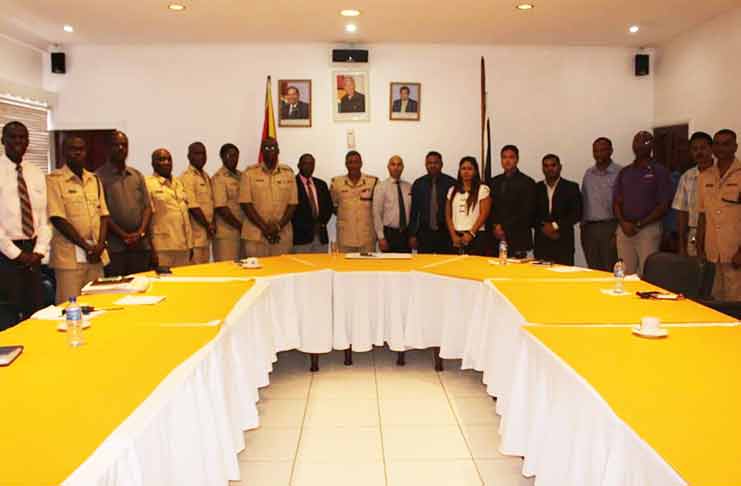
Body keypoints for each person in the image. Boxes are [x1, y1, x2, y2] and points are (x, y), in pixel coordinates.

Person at [0, 121, 51, 323]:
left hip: (33, 253)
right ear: (2, 140)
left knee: (35, 312)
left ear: (28, 142)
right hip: (5, 255)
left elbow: (44, 219)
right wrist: (17, 254)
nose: (18, 141)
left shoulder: (35, 172)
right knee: (8, 315)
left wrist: (38, 251)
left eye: (22, 137)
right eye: (12, 137)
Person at [47, 136, 109, 303]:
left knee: (99, 304)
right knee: (69, 307)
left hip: (96, 256)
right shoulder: (54, 180)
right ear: (64, 152)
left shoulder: (94, 180)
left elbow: (104, 215)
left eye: (81, 149)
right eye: (72, 149)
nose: (77, 153)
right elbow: (57, 218)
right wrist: (86, 247)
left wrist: (100, 246)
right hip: (69, 258)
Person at [613, 131, 673, 276]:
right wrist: (623, 223)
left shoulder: (660, 171)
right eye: (637, 142)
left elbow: (664, 206)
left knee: (647, 273)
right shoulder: (625, 172)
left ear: (652, 145)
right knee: (624, 273)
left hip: (648, 229)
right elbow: (616, 202)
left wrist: (640, 224)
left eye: (645, 142)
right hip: (625, 229)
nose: (640, 145)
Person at [96, 131, 152, 276]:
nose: (121, 148)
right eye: (116, 145)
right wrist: (124, 235)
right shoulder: (97, 177)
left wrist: (139, 233)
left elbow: (147, 207)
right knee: (117, 291)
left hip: (140, 246)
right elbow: (102, 213)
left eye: (124, 145)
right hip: (115, 248)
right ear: (107, 148)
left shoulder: (137, 175)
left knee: (142, 289)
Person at [696, 129, 741, 300]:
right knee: (715, 300)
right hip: (712, 253)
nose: (721, 148)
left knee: (736, 303)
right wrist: (700, 250)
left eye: (726, 144)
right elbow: (702, 216)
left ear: (735, 147)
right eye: (717, 144)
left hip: (735, 253)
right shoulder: (705, 176)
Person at [239, 138, 298, 257]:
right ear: (261, 151)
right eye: (266, 148)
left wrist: (278, 227)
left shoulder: (288, 173)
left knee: (281, 273)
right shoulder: (249, 173)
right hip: (255, 235)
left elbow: (292, 204)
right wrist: (264, 228)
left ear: (278, 151)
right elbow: (246, 204)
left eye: (272, 147)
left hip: (282, 235)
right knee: (256, 273)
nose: (269, 150)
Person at [146, 149, 193, 268]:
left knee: (182, 284)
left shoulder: (178, 183)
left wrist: (190, 244)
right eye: (161, 159)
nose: (166, 162)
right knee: (164, 284)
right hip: (162, 248)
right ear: (153, 163)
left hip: (183, 246)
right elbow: (145, 218)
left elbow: (185, 216)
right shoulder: (148, 184)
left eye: (169, 159)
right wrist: (151, 249)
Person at [580, 137, 622, 271]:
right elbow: (584, 200)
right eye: (596, 151)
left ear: (611, 151)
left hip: (610, 227)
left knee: (610, 269)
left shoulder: (620, 173)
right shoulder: (588, 174)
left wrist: (618, 232)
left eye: (603, 150)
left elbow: (624, 204)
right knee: (593, 270)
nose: (599, 154)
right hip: (589, 229)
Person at [534, 154, 582, 265]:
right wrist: (543, 227)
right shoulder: (536, 188)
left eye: (553, 165)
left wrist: (555, 226)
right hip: (541, 242)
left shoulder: (571, 187)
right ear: (542, 169)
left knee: (564, 278)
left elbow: (576, 213)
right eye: (546, 166)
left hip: (563, 241)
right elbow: (531, 214)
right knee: (541, 278)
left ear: (560, 167)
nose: (549, 169)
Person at [489, 145, 536, 258]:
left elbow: (527, 211)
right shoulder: (493, 182)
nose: (507, 160)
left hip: (518, 236)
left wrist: (504, 228)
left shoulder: (527, 182)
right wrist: (495, 226)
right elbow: (490, 208)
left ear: (517, 159)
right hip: (496, 237)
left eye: (511, 157)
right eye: (504, 157)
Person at [672, 132, 714, 257]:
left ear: (711, 149)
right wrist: (681, 245)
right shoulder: (687, 177)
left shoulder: (720, 173)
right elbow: (682, 212)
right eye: (695, 149)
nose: (699, 152)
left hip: (717, 232)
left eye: (703, 148)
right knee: (695, 272)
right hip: (694, 232)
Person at [408, 151, 456, 253]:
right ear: (426, 165)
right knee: (423, 265)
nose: (433, 165)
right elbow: (414, 212)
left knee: (445, 266)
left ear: (441, 164)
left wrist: (455, 234)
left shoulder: (451, 183)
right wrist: (412, 235)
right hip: (424, 234)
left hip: (445, 234)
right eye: (429, 163)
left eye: (436, 163)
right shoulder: (418, 184)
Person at [330, 151, 378, 252]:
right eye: (350, 162)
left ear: (361, 163)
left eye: (356, 162)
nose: (353, 165)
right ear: (346, 164)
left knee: (367, 266)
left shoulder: (373, 182)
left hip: (366, 237)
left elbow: (377, 208)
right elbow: (333, 206)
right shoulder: (337, 183)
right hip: (345, 237)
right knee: (345, 267)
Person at [445, 156, 491, 255]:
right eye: (463, 168)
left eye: (470, 169)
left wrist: (471, 233)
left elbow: (484, 214)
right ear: (459, 171)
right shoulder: (452, 190)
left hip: (476, 236)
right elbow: (448, 215)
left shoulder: (482, 189)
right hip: (456, 237)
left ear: (475, 171)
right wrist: (453, 235)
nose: (466, 172)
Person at [180, 141, 215, 264]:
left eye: (203, 153)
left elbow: (211, 204)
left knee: (205, 273)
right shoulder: (187, 177)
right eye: (197, 153)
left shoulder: (206, 176)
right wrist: (208, 225)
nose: (201, 156)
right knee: (196, 273)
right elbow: (192, 207)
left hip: (206, 237)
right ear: (189, 156)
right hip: (195, 238)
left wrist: (211, 225)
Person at [292, 153, 333, 253]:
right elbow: (291, 211)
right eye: (305, 163)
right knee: (302, 268)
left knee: (322, 267)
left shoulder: (321, 184)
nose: (308, 167)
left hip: (321, 236)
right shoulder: (292, 184)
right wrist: (308, 226)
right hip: (300, 238)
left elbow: (329, 207)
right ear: (299, 165)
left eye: (311, 164)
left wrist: (321, 223)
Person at [373, 155, 412, 252]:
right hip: (389, 235)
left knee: (406, 265)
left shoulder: (409, 187)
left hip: (406, 235)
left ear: (403, 167)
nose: (396, 167)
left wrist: (412, 235)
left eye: (399, 165)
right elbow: (376, 214)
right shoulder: (381, 187)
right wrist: (381, 237)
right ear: (388, 167)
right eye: (393, 164)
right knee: (389, 266)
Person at [212, 143, 244, 261]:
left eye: (236, 155)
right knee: (227, 269)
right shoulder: (218, 178)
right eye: (229, 155)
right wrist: (240, 226)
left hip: (243, 232)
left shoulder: (242, 176)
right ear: (222, 157)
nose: (233, 159)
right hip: (226, 234)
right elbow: (221, 208)